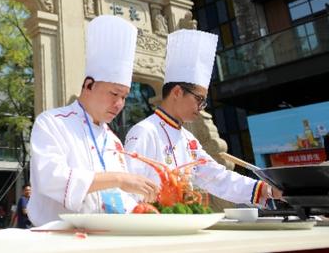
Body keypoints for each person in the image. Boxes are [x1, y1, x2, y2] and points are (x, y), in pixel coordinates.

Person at [125, 29, 282, 207]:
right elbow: (129, 187)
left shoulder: (189, 139)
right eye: (199, 99)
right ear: (177, 92)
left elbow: (216, 177)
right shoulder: (144, 131)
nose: (201, 108)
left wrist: (266, 189)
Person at [28, 15, 159, 226]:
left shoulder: (114, 140)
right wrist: (118, 179)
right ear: (89, 85)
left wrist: (144, 202)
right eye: (114, 94)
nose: (119, 104)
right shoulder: (52, 122)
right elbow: (51, 178)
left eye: (124, 97)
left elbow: (121, 196)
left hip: (111, 237)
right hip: (60, 237)